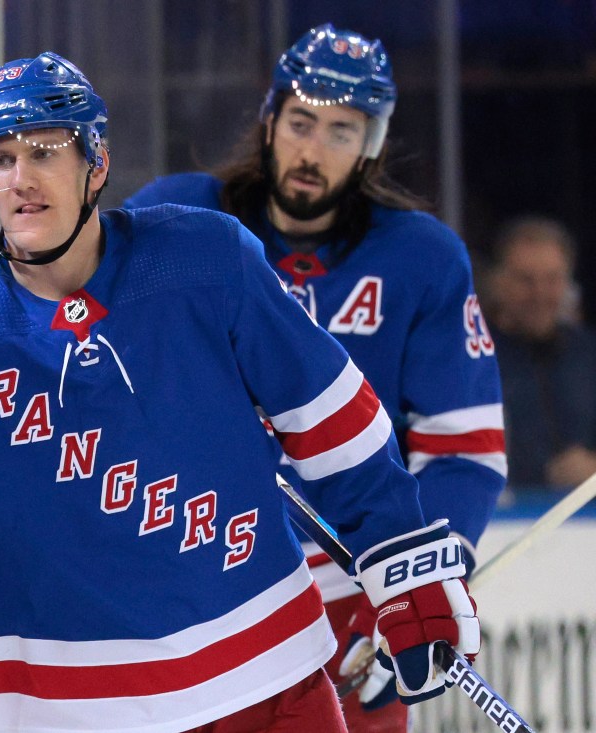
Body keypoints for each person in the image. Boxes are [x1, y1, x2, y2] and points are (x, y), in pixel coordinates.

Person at [0, 51, 481, 733]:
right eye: (0, 158)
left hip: (267, 679)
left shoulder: (205, 259)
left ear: (95, 163)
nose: (20, 178)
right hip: (61, 710)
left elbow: (332, 422)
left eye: (44, 152)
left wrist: (404, 560)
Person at [125, 24, 506, 730]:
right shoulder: (176, 221)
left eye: (341, 131)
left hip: (346, 602)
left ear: (371, 146)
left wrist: (409, 583)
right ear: (270, 121)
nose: (312, 150)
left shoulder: (422, 259)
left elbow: (463, 452)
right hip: (188, 594)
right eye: (301, 122)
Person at [485, 215, 596, 490]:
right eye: (526, 280)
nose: (540, 294)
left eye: (552, 279)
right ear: (499, 282)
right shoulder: (473, 359)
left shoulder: (589, 354)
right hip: (504, 522)